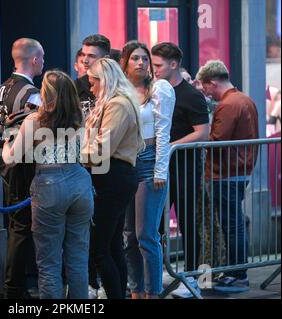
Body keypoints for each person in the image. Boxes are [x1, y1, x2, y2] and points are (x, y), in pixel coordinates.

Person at [2, 70, 93, 299]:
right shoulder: (79, 117)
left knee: (49, 262)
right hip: (80, 181)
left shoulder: (35, 120)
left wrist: (5, 142)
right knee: (78, 260)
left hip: (49, 184)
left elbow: (12, 158)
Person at [82, 58, 145, 299]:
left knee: (100, 249)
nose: (91, 88)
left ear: (104, 80)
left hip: (113, 177)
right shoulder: (117, 102)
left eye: (93, 82)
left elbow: (102, 149)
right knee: (111, 246)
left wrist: (73, 155)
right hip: (113, 175)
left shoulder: (118, 105)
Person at [151, 42, 210, 298]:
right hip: (161, 169)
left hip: (184, 168)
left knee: (187, 222)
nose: (153, 70)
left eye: (158, 65)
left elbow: (203, 133)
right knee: (157, 225)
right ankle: (161, 272)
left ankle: (193, 278)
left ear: (173, 64)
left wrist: (170, 146)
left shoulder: (190, 95)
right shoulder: (156, 91)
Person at [197, 60, 259, 293]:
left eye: (206, 87)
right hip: (239, 171)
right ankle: (237, 273)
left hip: (226, 173)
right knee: (235, 224)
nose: (206, 92)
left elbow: (217, 141)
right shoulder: (244, 99)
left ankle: (238, 275)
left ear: (213, 83)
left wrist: (200, 140)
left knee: (232, 226)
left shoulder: (228, 105)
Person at [0, 38, 44, 299]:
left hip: (3, 160)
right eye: (41, 58)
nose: (42, 63)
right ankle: (15, 288)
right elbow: (41, 129)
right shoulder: (31, 93)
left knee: (16, 224)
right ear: (34, 60)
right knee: (21, 226)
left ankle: (15, 285)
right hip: (23, 162)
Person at [121, 41, 175, 299]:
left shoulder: (160, 88)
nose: (141, 62)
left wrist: (160, 170)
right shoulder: (120, 90)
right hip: (125, 159)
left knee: (146, 234)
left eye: (145, 58)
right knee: (128, 235)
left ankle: (153, 292)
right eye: (135, 58)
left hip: (149, 158)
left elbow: (164, 133)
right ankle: (136, 290)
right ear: (126, 62)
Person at [75, 34, 111, 118]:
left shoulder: (117, 87)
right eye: (83, 55)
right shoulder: (74, 87)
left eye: (91, 56)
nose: (85, 60)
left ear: (105, 59)